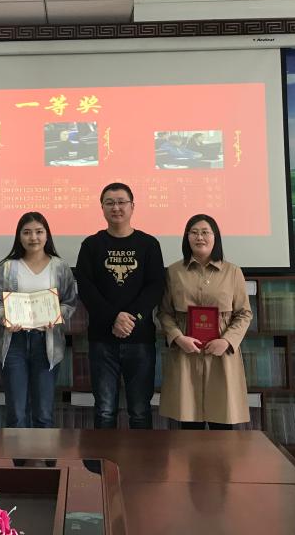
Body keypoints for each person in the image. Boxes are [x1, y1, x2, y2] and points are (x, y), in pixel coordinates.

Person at [75, 183, 166, 429]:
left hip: (140, 339)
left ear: (132, 206)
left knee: (140, 410)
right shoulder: (91, 245)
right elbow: (86, 288)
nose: (116, 207)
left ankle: (141, 457)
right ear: (102, 208)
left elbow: (155, 286)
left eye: (121, 202)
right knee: (105, 411)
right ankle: (105, 456)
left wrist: (131, 317)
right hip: (102, 340)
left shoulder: (149, 244)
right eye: (110, 203)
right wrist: (113, 318)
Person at [158, 214, 252, 429]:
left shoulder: (232, 272)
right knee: (189, 423)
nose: (199, 237)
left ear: (215, 237)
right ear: (187, 238)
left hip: (221, 354)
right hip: (186, 352)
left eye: (205, 232)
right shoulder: (174, 271)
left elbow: (244, 313)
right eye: (194, 232)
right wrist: (178, 338)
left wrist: (227, 341)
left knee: (222, 423)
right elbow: (164, 312)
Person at [0, 212, 78, 428]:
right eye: (27, 232)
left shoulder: (60, 267)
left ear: (47, 235)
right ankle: (18, 451)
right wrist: (5, 318)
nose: (33, 238)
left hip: (46, 343)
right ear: (19, 236)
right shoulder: (7, 267)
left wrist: (56, 316)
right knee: (16, 413)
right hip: (14, 343)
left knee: (44, 413)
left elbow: (69, 302)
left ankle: (44, 451)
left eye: (39, 232)